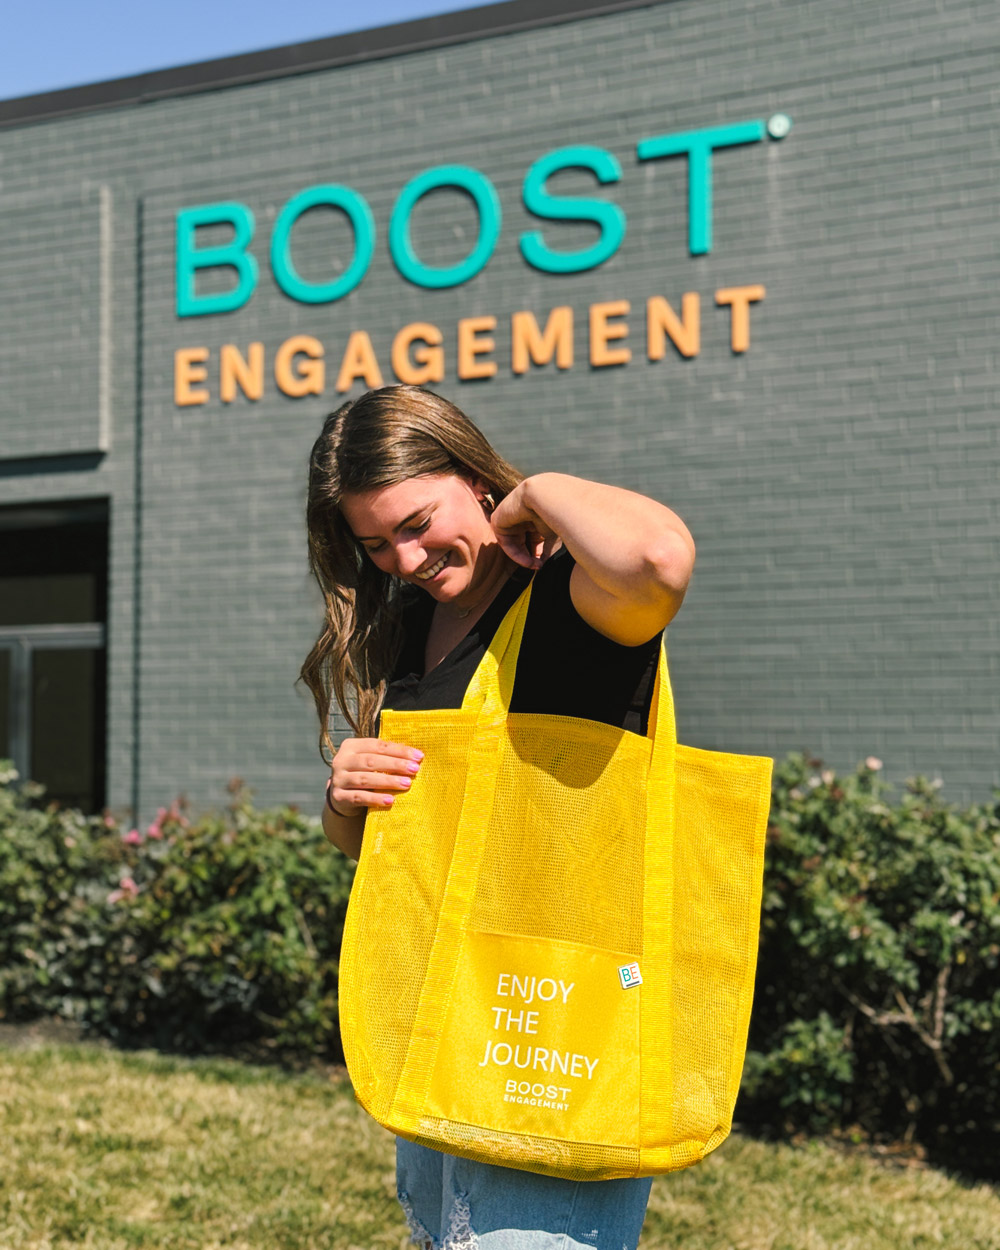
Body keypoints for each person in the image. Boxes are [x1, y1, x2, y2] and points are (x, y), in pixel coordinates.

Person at [300, 384, 695, 1250]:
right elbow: (374, 842)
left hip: (562, 1023)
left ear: (474, 478)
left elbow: (659, 558)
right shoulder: (410, 630)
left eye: (415, 523)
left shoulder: (570, 600)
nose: (403, 561)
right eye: (375, 544)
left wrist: (539, 490)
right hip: (452, 1016)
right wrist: (344, 796)